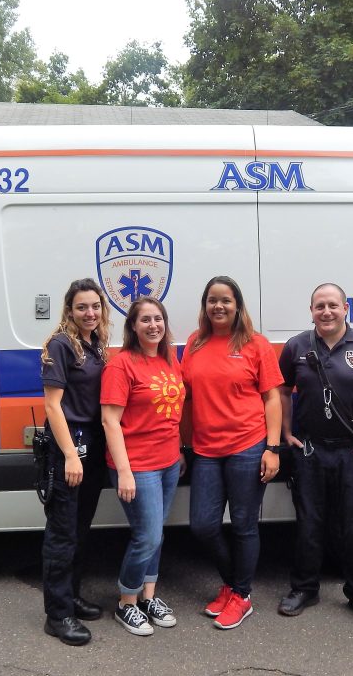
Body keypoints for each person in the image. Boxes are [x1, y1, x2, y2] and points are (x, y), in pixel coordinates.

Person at [277, 283, 353, 627]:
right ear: (311, 311)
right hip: (311, 450)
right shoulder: (296, 347)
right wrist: (286, 433)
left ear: (345, 308)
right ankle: (304, 589)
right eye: (318, 306)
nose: (325, 312)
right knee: (309, 525)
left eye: (332, 305)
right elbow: (283, 392)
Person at [181, 276, 284, 630]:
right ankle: (231, 584)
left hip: (247, 445)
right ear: (204, 305)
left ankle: (242, 595)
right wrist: (184, 445)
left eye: (226, 300)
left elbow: (272, 397)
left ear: (238, 305)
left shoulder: (256, 345)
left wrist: (272, 448)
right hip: (206, 450)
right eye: (212, 300)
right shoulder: (194, 343)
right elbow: (188, 398)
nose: (218, 306)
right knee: (203, 526)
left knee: (243, 525)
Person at [101, 297, 186, 636]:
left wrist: (178, 451)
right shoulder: (120, 366)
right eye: (145, 320)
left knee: (156, 535)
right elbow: (110, 420)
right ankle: (126, 603)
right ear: (133, 327)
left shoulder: (169, 360)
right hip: (138, 466)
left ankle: (148, 597)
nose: (153, 325)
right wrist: (124, 470)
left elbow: (173, 412)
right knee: (147, 535)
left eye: (158, 319)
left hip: (167, 462)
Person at [40, 278, 112, 646]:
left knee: (81, 528)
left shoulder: (96, 345)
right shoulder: (61, 345)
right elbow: (53, 405)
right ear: (69, 310)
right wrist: (69, 454)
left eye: (95, 306)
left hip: (94, 446)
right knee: (63, 533)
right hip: (71, 446)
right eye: (82, 307)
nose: (90, 313)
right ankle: (58, 614)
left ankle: (72, 595)